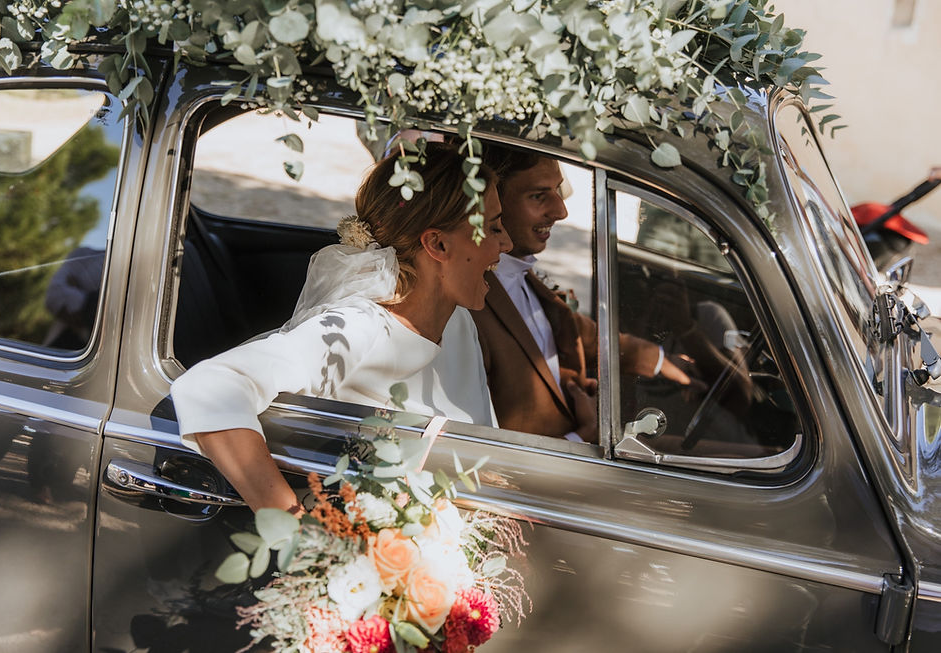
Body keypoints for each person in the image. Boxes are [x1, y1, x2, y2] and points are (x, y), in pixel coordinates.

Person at [170, 145, 513, 514]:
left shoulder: (458, 323)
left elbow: (484, 447)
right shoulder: (354, 331)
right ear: (437, 243)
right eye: (492, 227)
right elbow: (209, 387)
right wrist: (294, 529)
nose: (506, 243)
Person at [472, 146, 689, 443]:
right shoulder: (470, 302)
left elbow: (574, 332)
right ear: (490, 202)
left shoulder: (520, 276)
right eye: (538, 196)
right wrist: (582, 436)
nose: (561, 211)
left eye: (558, 190)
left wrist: (663, 360)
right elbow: (483, 446)